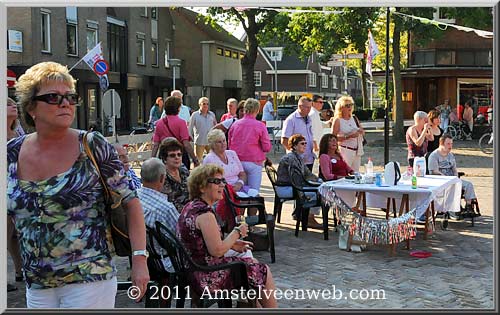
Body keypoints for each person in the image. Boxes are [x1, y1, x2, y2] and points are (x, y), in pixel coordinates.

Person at [8, 61, 149, 308]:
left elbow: (132, 203)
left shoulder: (92, 146)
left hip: (89, 278)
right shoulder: (10, 153)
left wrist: (139, 259)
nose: (65, 103)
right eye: (53, 97)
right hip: (37, 284)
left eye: (70, 97)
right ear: (31, 107)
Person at [176, 164, 277, 308]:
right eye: (216, 182)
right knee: (262, 270)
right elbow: (216, 250)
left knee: (250, 262)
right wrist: (237, 232)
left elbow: (202, 243)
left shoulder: (191, 207)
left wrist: (233, 244)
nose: (222, 185)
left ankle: (247, 306)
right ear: (202, 187)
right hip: (205, 276)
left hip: (195, 268)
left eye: (223, 181)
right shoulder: (205, 215)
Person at [137, 158, 179, 272]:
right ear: (162, 178)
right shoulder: (166, 208)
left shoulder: (134, 197)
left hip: (147, 258)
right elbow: (182, 239)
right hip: (168, 262)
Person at [276, 134, 323, 229]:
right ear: (294, 146)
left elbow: (307, 173)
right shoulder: (290, 158)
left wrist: (319, 181)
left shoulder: (298, 157)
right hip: (287, 187)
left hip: (292, 185)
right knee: (319, 192)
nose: (305, 145)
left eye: (306, 143)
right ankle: (308, 218)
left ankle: (308, 217)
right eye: (302, 143)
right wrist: (316, 185)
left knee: (321, 187)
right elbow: (298, 180)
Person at [428, 134, 478, 219]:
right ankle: (454, 210)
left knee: (468, 185)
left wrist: (456, 178)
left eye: (451, 144)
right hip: (441, 181)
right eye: (448, 144)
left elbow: (454, 169)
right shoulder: (434, 156)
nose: (450, 146)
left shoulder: (450, 155)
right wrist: (446, 178)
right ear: (441, 144)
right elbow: (434, 171)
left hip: (452, 179)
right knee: (453, 187)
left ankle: (468, 208)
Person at [228, 98, 272, 193]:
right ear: (257, 110)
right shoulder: (260, 125)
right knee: (253, 193)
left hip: (237, 161)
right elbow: (266, 147)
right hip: (254, 161)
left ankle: (240, 208)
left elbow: (230, 144)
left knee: (240, 194)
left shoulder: (235, 124)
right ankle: (252, 207)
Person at [151, 96, 199, 169]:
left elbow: (156, 144)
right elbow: (186, 144)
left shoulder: (159, 123)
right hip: (179, 155)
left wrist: (152, 160)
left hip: (164, 156)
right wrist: (194, 159)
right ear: (178, 108)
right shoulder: (181, 123)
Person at [6, 97, 24, 293]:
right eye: (9, 104)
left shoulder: (18, 131)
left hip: (20, 187)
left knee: (15, 236)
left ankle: (20, 270)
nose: (14, 106)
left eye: (14, 104)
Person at [331, 95, 365, 172]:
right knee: (344, 172)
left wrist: (361, 131)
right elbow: (332, 138)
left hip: (357, 150)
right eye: (347, 105)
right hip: (345, 150)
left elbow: (362, 131)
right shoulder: (338, 120)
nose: (349, 107)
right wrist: (349, 136)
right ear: (341, 107)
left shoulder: (354, 118)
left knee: (355, 173)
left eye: (351, 105)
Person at [281, 96, 316, 171]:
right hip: (297, 159)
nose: (309, 110)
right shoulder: (291, 120)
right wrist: (294, 155)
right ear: (300, 106)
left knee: (308, 179)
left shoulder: (309, 118)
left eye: (310, 107)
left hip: (309, 157)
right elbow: (284, 140)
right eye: (307, 107)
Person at [158, 137, 190, 213]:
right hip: (174, 214)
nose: (177, 157)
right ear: (164, 159)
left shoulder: (183, 170)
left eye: (179, 154)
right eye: (172, 155)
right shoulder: (162, 176)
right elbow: (170, 203)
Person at [189, 97, 217, 161]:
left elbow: (216, 126)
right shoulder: (195, 115)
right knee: (197, 161)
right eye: (204, 104)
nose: (206, 106)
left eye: (207, 104)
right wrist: (191, 138)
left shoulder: (212, 114)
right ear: (200, 105)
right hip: (199, 141)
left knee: (213, 160)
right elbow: (190, 127)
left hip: (210, 141)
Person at [425, 110, 443, 174]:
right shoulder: (427, 130)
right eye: (437, 118)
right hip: (429, 155)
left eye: (439, 118)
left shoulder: (441, 130)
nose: (439, 120)